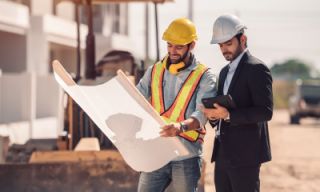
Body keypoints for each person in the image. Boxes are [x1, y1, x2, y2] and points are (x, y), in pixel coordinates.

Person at [136, 18, 216, 192]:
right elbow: (136, 99)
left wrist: (180, 127)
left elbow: (201, 115)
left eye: (179, 47)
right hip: (156, 152)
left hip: (186, 155)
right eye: (170, 46)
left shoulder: (204, 76)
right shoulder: (155, 70)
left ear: (191, 45)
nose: (173, 51)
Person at [201, 14, 273, 192]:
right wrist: (213, 115)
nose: (225, 49)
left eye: (228, 43)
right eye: (221, 45)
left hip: (246, 155)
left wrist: (229, 115)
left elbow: (265, 111)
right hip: (223, 153)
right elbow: (222, 112)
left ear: (243, 39)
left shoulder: (257, 69)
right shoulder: (224, 72)